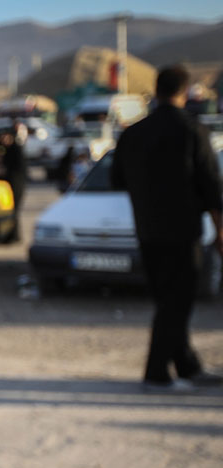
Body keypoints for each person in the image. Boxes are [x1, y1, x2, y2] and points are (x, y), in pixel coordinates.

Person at [111, 64, 223, 390]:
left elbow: (118, 179)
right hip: (182, 231)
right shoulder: (191, 130)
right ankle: (157, 371)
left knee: (166, 301)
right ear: (184, 93)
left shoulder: (133, 133)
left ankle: (187, 366)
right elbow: (211, 185)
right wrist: (219, 229)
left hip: (146, 229)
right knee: (178, 302)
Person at [0, 126, 27, 243]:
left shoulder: (16, 149)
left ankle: (15, 235)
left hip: (16, 184)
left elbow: (19, 168)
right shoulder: (6, 149)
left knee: (14, 211)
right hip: (10, 184)